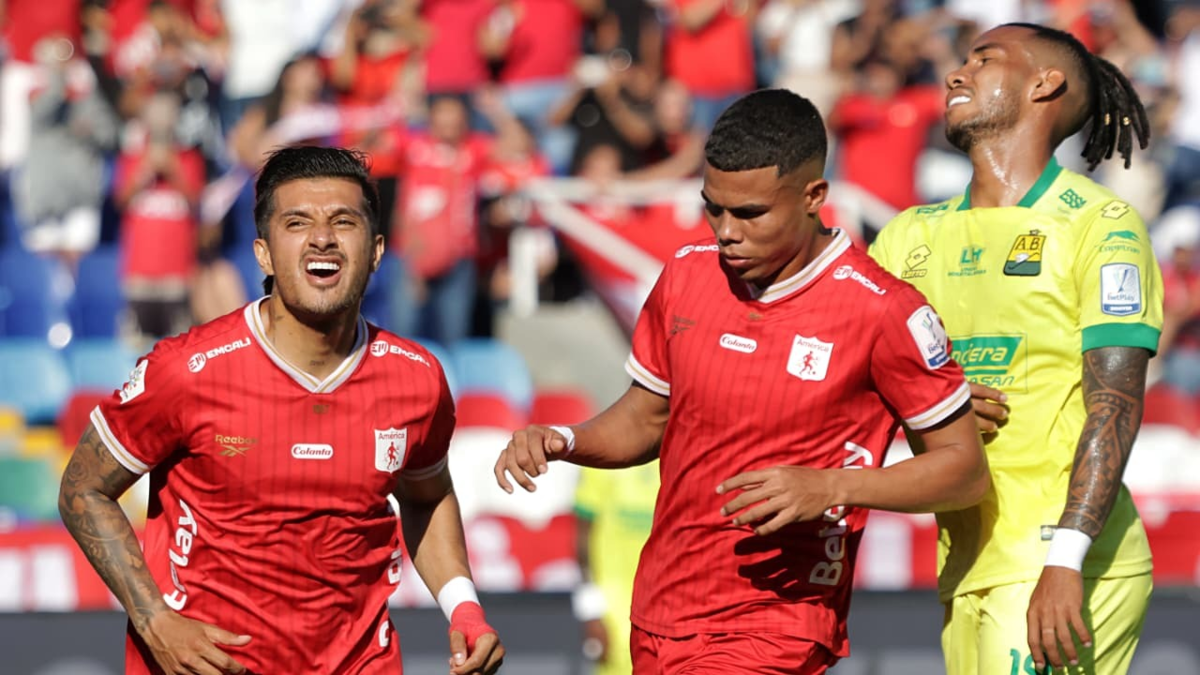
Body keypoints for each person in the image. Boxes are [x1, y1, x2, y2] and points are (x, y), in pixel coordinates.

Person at [494, 88, 990, 674]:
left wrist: (831, 487)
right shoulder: (685, 274)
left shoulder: (883, 311)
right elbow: (646, 418)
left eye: (750, 213)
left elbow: (964, 470)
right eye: (713, 208)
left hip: (778, 621)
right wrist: (566, 440)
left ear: (814, 197)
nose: (726, 231)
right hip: (660, 611)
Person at [57, 146, 505, 675]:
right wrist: (154, 619)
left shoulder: (417, 379)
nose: (322, 238)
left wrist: (464, 607)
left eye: (344, 221)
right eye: (298, 222)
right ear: (264, 254)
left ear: (378, 249)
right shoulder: (187, 371)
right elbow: (83, 488)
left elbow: (427, 497)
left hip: (360, 662)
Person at [868, 22, 1163, 675]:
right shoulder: (905, 237)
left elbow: (1114, 404)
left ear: (1043, 83)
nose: (956, 73)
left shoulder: (1098, 225)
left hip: (1062, 564)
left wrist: (1065, 558)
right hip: (968, 564)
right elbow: (847, 384)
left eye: (984, 59)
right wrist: (924, 403)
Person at [572, 463, 659, 675]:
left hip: (667, 608)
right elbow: (581, 544)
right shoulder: (603, 455)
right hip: (614, 614)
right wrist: (590, 611)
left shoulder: (680, 453)